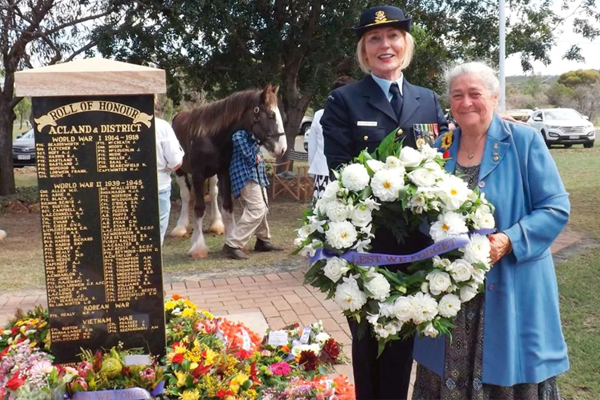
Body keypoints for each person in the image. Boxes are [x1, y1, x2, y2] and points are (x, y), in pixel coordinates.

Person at [412, 62, 570, 399]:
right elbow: (424, 213)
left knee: (508, 373)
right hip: (450, 294)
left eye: (475, 94)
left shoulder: (523, 141)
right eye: (457, 95)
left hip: (511, 288)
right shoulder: (439, 148)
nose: (466, 103)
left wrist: (509, 240)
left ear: (495, 97)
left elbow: (555, 207)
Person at [320, 5, 449, 400]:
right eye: (374, 38)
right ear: (364, 50)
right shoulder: (343, 100)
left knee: (408, 339)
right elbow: (343, 170)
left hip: (420, 244)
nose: (385, 45)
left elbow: (441, 164)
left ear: (405, 44)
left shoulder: (428, 100)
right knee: (370, 341)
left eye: (393, 36)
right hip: (369, 245)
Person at [223, 129, 282, 260]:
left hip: (256, 176)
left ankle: (263, 240)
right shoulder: (239, 135)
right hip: (246, 177)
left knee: (263, 208)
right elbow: (251, 158)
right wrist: (256, 155)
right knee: (257, 209)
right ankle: (232, 244)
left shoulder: (254, 135)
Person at [308, 76, 354, 199]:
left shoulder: (319, 115)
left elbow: (312, 146)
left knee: (322, 211)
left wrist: (312, 167)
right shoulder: (357, 115)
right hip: (349, 173)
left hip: (324, 170)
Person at [155, 98, 185, 246]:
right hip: (159, 186)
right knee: (157, 235)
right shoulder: (161, 126)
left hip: (124, 189)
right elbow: (176, 162)